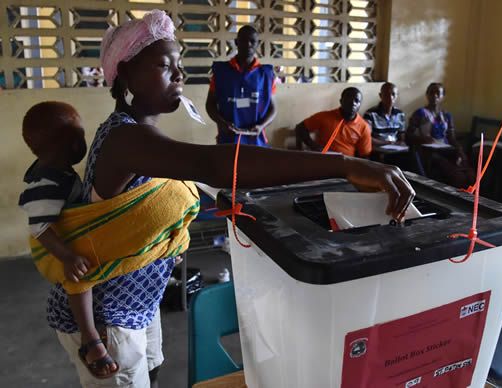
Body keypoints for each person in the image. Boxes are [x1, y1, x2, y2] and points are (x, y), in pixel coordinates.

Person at [48, 10, 414, 387]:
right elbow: (212, 163)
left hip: (138, 302)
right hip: (108, 315)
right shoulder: (125, 139)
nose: (178, 74)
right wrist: (343, 165)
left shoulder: (141, 137)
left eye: (179, 62)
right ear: (124, 74)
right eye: (163, 64)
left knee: (149, 374)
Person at [18, 102, 119, 379]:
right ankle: (90, 339)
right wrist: (67, 256)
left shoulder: (59, 172)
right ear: (58, 145)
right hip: (60, 250)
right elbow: (39, 227)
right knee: (79, 283)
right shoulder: (48, 181)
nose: (83, 142)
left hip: (70, 242)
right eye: (78, 137)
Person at [205, 25, 277, 146]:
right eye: (244, 40)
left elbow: (273, 108)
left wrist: (261, 126)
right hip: (228, 140)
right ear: (236, 42)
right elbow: (210, 104)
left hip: (257, 140)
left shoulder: (267, 74)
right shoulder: (221, 72)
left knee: (256, 165)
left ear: (257, 44)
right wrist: (222, 123)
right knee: (228, 165)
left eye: (252, 41)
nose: (248, 44)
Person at [407, 82, 474, 188]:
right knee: (457, 176)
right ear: (427, 94)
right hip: (429, 152)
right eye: (431, 92)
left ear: (442, 97)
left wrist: (460, 151)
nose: (434, 95)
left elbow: (452, 138)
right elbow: (409, 135)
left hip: (446, 150)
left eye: (438, 93)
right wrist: (422, 139)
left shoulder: (447, 115)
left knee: (469, 174)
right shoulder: (420, 113)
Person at [295, 87, 372, 157]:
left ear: (360, 104)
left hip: (346, 164)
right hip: (323, 161)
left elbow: (364, 154)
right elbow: (300, 128)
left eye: (357, 101)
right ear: (341, 101)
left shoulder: (363, 126)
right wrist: (313, 146)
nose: (353, 103)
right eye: (349, 99)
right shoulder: (324, 117)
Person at [364, 82, 406, 147]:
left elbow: (402, 136)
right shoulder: (370, 114)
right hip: (378, 150)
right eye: (386, 94)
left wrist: (400, 143)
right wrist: (388, 143)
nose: (390, 97)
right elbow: (367, 138)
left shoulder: (400, 114)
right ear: (380, 96)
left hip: (395, 149)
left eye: (393, 94)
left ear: (396, 96)